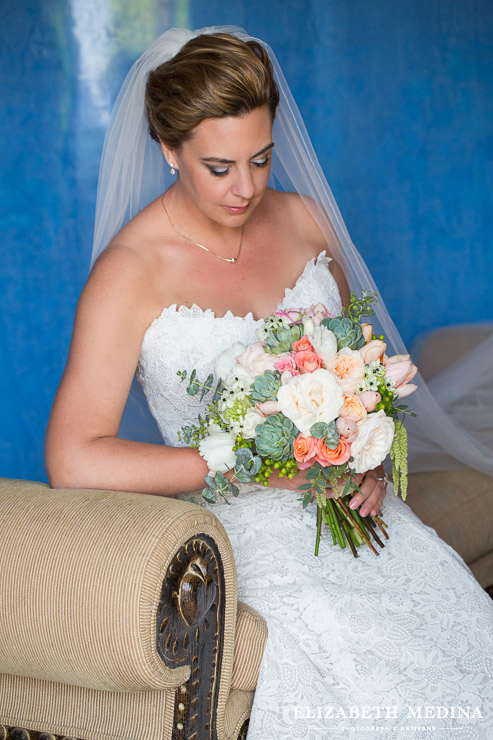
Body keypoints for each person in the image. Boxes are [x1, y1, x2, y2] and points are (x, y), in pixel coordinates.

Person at [45, 27, 493, 739]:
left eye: (261, 158)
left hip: (355, 514)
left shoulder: (306, 222)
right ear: (168, 150)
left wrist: (368, 456)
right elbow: (74, 459)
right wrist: (245, 461)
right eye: (219, 166)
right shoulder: (129, 273)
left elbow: (357, 369)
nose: (246, 188)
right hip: (242, 530)